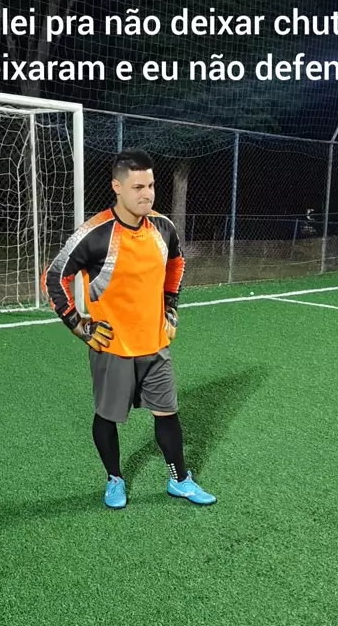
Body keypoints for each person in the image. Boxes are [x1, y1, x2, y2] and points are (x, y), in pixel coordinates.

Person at [42, 148, 216, 509]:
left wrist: (170, 307)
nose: (147, 194)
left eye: (150, 186)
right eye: (138, 187)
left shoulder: (163, 228)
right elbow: (55, 277)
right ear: (117, 187)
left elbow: (177, 264)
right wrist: (78, 325)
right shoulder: (95, 233)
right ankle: (115, 479)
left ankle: (180, 480)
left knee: (168, 413)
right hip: (113, 347)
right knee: (107, 417)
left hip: (155, 344)